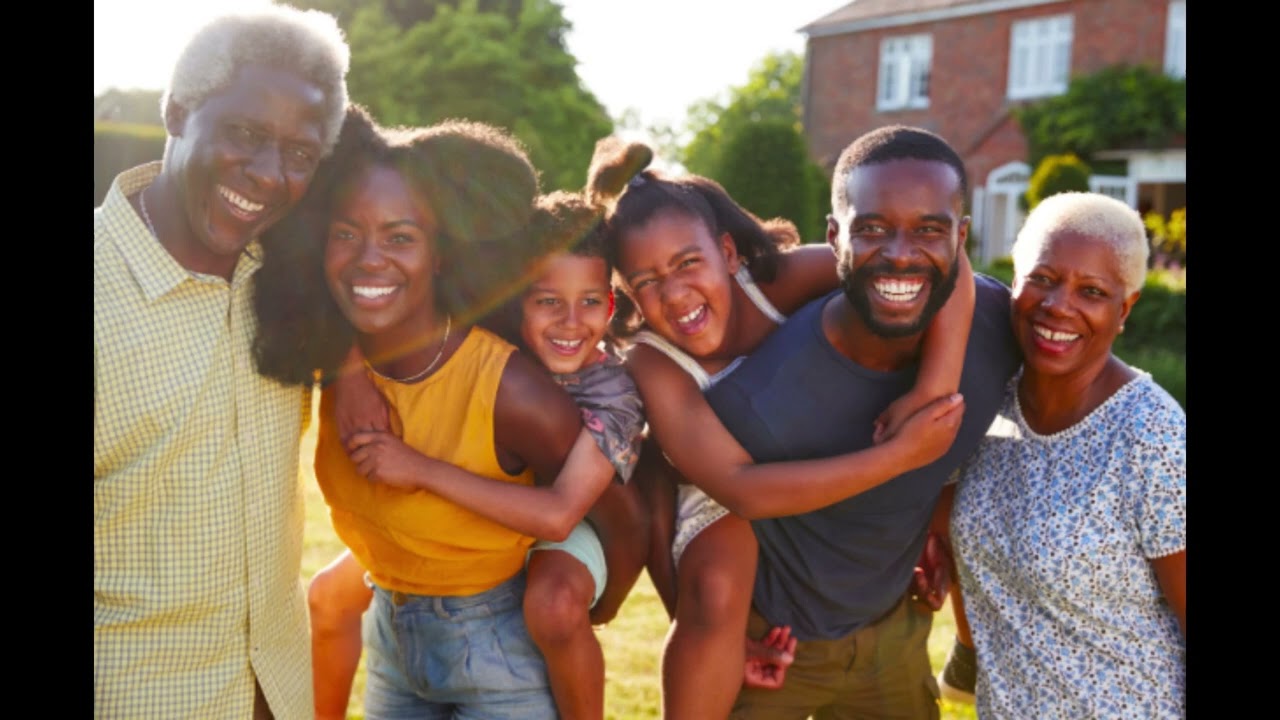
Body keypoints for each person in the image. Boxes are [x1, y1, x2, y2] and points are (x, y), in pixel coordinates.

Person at [596, 134, 979, 719]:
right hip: (726, 490)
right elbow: (740, 488)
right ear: (625, 291)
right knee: (715, 595)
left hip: (824, 447)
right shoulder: (654, 362)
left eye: (688, 263)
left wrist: (933, 391)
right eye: (646, 282)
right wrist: (900, 456)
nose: (674, 294)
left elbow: (940, 269)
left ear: (728, 253)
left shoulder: (778, 281)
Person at [253, 107, 583, 719]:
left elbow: (610, 502)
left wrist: (578, 603)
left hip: (499, 651)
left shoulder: (510, 388)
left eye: (401, 237)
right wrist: (349, 366)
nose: (369, 259)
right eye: (346, 233)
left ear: (440, 254)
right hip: (390, 638)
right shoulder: (320, 357)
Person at [692, 125, 1023, 719]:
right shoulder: (755, 394)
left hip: (896, 635)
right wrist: (714, 635)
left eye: (929, 230)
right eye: (871, 228)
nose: (900, 253)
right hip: (776, 648)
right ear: (832, 236)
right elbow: (676, 507)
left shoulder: (999, 327)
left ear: (961, 238)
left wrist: (941, 521)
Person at [300, 168, 653, 720]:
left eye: (589, 302)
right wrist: (349, 369)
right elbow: (359, 297)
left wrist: (419, 468)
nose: (568, 321)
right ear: (518, 301)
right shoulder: (494, 339)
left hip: (574, 514)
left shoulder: (612, 397)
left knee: (554, 604)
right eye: (547, 302)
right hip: (425, 596)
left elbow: (566, 515)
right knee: (329, 592)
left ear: (610, 307)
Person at [94, 7, 350, 717]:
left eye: (300, 154)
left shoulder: (293, 286)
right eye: (245, 134)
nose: (269, 176)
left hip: (280, 695)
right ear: (176, 111)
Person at [947, 191, 1186, 718]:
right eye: (1043, 279)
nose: (1059, 305)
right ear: (1015, 280)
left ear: (1125, 308)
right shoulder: (990, 401)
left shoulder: (1152, 435)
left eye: (1093, 291)